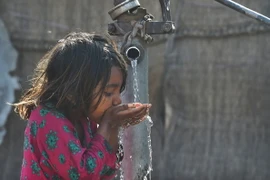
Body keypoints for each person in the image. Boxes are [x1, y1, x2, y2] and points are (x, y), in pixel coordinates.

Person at [14, 32, 151, 180]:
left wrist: (114, 127)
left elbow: (106, 172)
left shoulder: (85, 120)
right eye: (108, 92)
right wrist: (109, 123)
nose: (118, 101)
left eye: (119, 91)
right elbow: (83, 174)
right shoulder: (47, 119)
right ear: (73, 92)